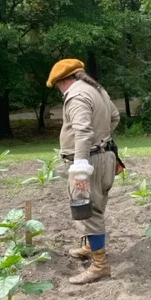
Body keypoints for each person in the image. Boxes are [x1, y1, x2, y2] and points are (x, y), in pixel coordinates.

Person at [46, 59, 120, 284]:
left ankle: (100, 265)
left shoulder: (77, 95)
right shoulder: (98, 90)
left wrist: (79, 168)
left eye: (58, 84)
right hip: (105, 157)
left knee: (87, 211)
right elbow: (115, 117)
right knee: (96, 205)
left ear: (65, 80)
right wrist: (102, 139)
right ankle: (90, 246)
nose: (60, 89)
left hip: (89, 162)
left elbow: (83, 133)